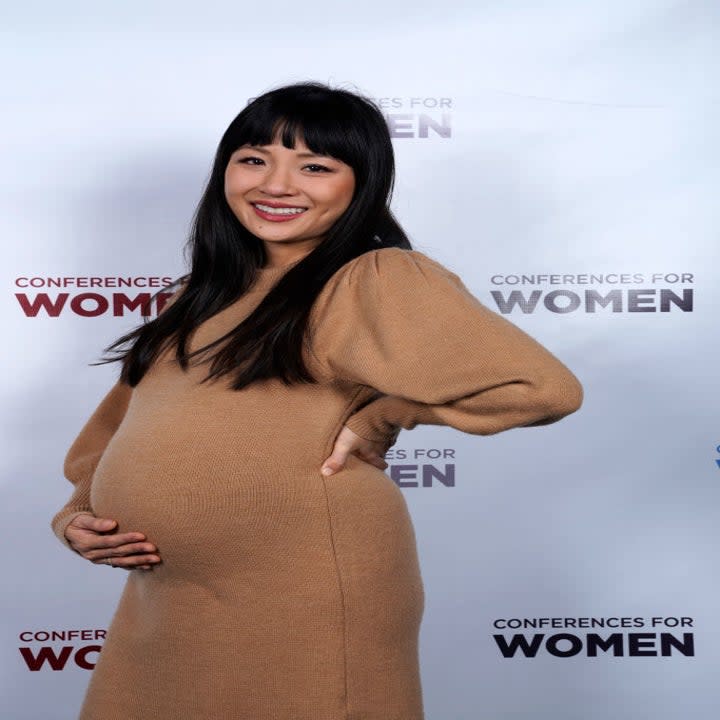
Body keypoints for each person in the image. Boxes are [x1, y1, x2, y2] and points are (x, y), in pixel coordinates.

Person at [52, 81, 583, 720]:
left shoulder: (373, 278)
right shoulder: (199, 294)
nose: (276, 185)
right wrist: (80, 516)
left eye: (315, 167)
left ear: (362, 185)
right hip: (167, 596)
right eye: (254, 159)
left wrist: (385, 415)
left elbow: (542, 388)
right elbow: (116, 428)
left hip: (304, 589)